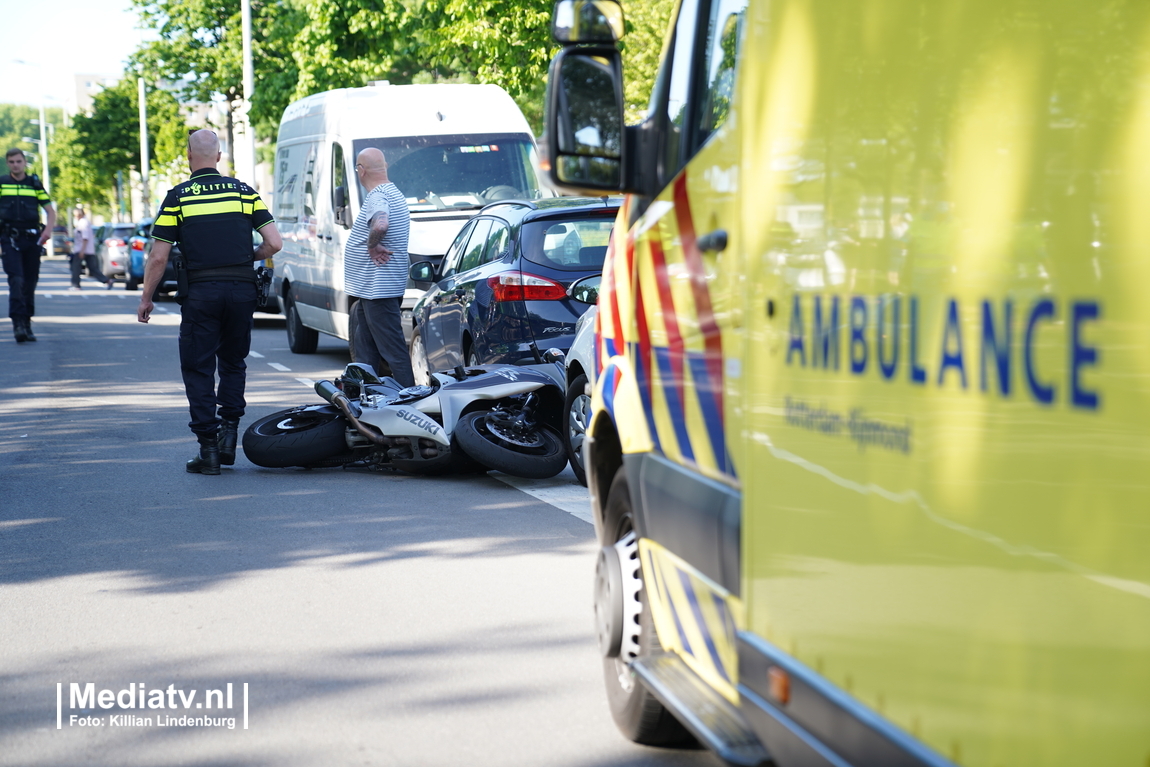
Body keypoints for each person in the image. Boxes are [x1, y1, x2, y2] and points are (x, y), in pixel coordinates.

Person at [137, 129, 282, 475]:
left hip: (200, 294)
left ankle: (209, 450)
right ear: (218, 156)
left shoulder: (178, 197)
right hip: (241, 290)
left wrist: (146, 298)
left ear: (189, 157)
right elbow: (274, 243)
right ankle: (229, 436)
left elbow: (158, 258)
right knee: (233, 362)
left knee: (198, 367)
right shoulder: (244, 192)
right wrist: (248, 257)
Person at [346, 147, 414, 388]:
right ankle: (367, 400)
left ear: (361, 170)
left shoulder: (378, 196)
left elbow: (381, 224)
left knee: (392, 351)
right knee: (366, 354)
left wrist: (372, 246)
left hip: (379, 290)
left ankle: (411, 399)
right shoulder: (393, 192)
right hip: (371, 290)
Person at [1, 148, 56, 343]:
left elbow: (50, 211)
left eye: (18, 161)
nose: (15, 165)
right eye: (11, 162)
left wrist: (47, 231)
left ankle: (27, 321)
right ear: (8, 164)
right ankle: (18, 324)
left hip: (32, 239)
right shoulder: (2, 183)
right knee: (16, 279)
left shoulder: (34, 184)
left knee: (30, 282)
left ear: (24, 162)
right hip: (9, 239)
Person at [69, 208, 112, 290]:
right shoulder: (83, 222)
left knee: (76, 267)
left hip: (82, 249)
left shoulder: (83, 223)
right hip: (87, 250)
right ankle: (107, 280)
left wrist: (82, 250)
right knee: (93, 268)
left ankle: (76, 285)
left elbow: (85, 238)